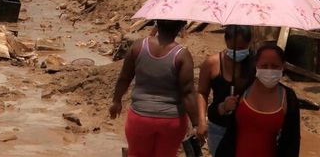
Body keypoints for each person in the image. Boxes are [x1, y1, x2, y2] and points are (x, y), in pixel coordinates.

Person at [109, 19, 199, 157]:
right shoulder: (182, 55)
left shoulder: (138, 47)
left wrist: (116, 101)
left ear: (157, 24)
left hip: (140, 117)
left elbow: (124, 78)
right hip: (172, 121)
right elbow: (188, 92)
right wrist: (196, 124)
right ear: (181, 27)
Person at [215, 43, 300, 157]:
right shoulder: (240, 88)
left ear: (283, 66)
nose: (269, 70)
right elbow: (213, 114)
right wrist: (224, 107)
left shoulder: (288, 97)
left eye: (274, 66)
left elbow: (292, 141)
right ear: (256, 65)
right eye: (264, 66)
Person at [196, 26, 255, 156]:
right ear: (226, 42)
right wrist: (201, 121)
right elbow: (202, 92)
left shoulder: (255, 63)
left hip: (248, 128)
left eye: (242, 48)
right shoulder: (212, 63)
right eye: (234, 48)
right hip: (219, 127)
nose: (237, 52)